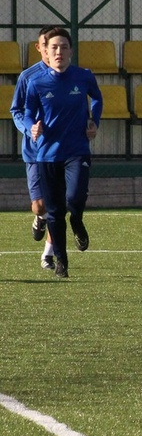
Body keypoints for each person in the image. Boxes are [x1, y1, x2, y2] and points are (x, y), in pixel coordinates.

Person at [21, 27, 103, 278]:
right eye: (54, 47)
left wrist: (94, 120)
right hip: (47, 154)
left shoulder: (83, 76)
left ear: (71, 51)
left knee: (75, 197)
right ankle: (61, 262)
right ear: (46, 51)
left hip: (77, 151)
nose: (59, 52)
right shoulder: (36, 82)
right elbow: (27, 113)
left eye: (64, 47)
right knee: (55, 212)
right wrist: (31, 127)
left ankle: (77, 220)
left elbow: (97, 98)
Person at [10, 25, 58, 270]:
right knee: (40, 205)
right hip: (35, 150)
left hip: (61, 149)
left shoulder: (72, 76)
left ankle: (48, 255)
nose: (53, 50)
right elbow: (16, 110)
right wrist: (29, 129)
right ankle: (40, 217)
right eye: (47, 45)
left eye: (57, 45)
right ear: (40, 48)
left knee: (58, 204)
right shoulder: (28, 77)